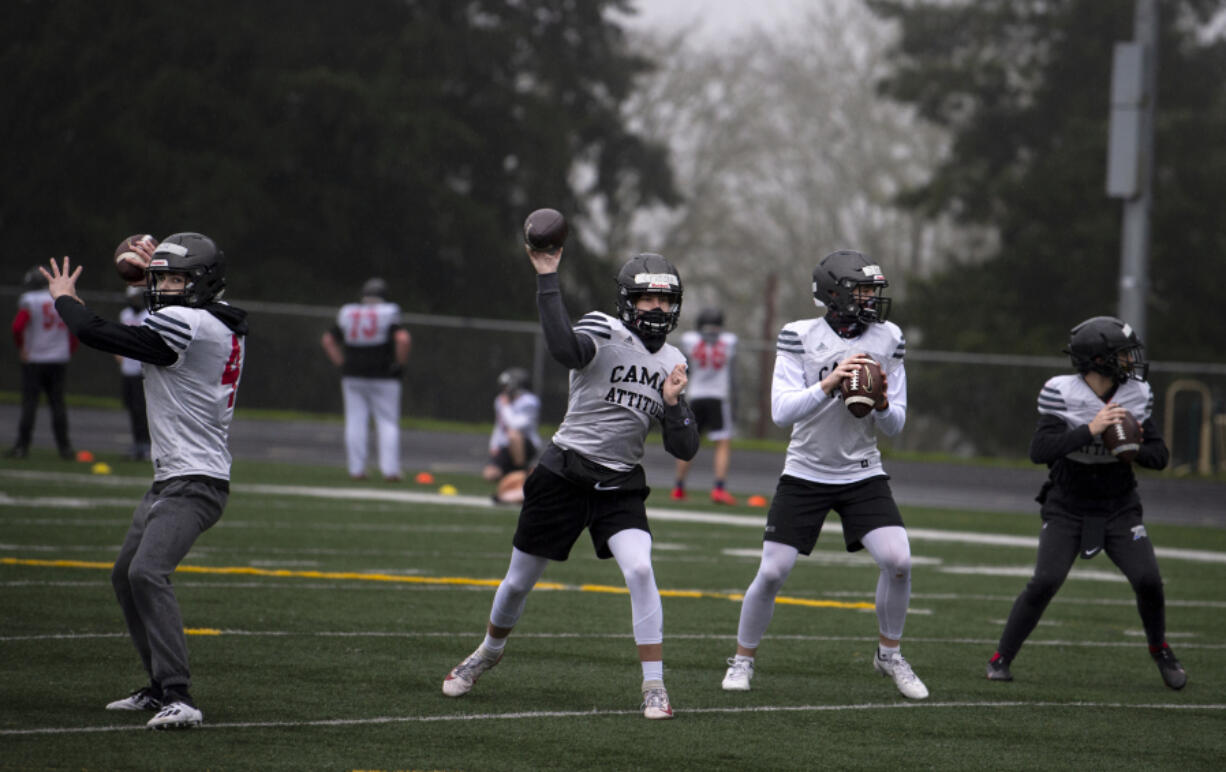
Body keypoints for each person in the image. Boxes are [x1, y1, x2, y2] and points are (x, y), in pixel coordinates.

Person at [441, 245, 699, 720]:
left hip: (619, 484)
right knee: (519, 582)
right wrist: (547, 275)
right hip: (564, 472)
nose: (658, 308)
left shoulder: (676, 360)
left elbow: (684, 448)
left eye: (665, 300)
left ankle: (655, 685)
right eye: (647, 299)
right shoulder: (604, 328)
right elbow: (563, 348)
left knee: (640, 570)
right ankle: (488, 652)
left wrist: (675, 404)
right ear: (628, 302)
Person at [39, 232, 248, 730]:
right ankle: (157, 688)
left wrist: (66, 300)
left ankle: (179, 694)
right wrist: (161, 267)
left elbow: (99, 334)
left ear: (200, 284)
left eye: (176, 279)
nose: (165, 287)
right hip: (173, 477)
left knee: (146, 574)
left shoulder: (192, 322)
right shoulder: (216, 317)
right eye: (163, 279)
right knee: (125, 575)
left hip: (195, 481)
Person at [720, 250, 928, 700]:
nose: (872, 299)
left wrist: (883, 402)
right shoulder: (799, 335)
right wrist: (830, 383)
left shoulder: (889, 338)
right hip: (806, 470)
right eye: (863, 290)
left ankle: (889, 654)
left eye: (874, 291)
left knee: (898, 561)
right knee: (773, 572)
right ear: (834, 293)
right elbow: (781, 412)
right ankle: (742, 659)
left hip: (862, 471)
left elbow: (896, 425)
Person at [985, 316, 1185, 689]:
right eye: (1123, 355)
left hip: (1119, 504)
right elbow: (1040, 450)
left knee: (1149, 580)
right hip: (1068, 503)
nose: (1131, 361)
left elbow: (1160, 456)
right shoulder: (1061, 392)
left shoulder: (1137, 394)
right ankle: (1001, 657)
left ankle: (1160, 649)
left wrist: (1131, 446)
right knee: (1045, 581)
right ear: (1098, 359)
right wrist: (1090, 430)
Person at [320, 278, 411, 481]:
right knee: (387, 421)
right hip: (383, 373)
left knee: (355, 421)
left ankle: (356, 469)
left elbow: (328, 340)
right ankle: (391, 470)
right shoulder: (389, 311)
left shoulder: (349, 312)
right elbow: (403, 339)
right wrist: (400, 365)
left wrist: (341, 364)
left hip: (353, 373)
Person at [671, 307, 739, 504]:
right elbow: (733, 377)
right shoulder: (729, 342)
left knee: (689, 443)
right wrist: (735, 403)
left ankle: (678, 487)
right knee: (723, 444)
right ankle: (718, 489)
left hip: (696, 396)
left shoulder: (690, 340)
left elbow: (685, 370)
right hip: (718, 397)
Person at [8, 266, 76, 459]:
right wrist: (68, 351)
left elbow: (17, 326)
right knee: (58, 404)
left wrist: (22, 348)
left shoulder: (30, 300)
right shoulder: (61, 298)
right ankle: (65, 449)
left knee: (30, 404)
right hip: (59, 358)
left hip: (35, 358)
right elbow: (74, 330)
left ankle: (22, 447)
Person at [483, 366, 542, 504]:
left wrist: (506, 406)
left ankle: (521, 473)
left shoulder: (529, 401)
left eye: (506, 386)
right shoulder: (500, 400)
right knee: (489, 474)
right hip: (507, 445)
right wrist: (494, 445)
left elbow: (515, 425)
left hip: (526, 445)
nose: (504, 389)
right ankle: (517, 478)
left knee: (513, 435)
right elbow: (499, 426)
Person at [115, 286, 151, 461]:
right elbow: (120, 337)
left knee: (142, 410)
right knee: (132, 409)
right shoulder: (126, 315)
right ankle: (138, 443)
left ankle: (146, 445)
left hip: (142, 371)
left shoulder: (149, 316)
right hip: (128, 369)